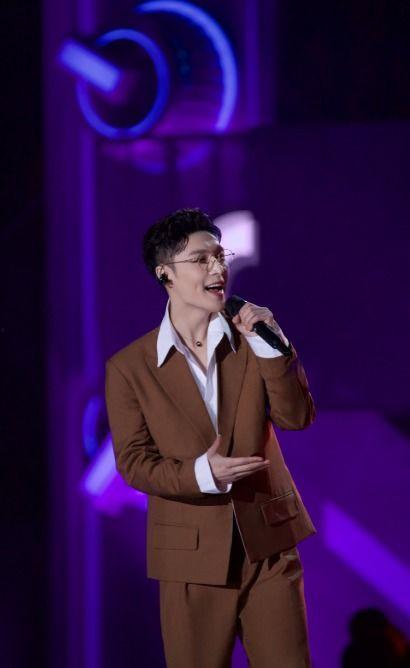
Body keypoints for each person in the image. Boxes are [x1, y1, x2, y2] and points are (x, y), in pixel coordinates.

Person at [105, 207, 316, 668]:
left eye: (221, 256)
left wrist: (272, 343)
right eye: (201, 259)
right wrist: (204, 474)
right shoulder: (129, 367)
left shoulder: (252, 339)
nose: (218, 268)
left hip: (268, 547)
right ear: (165, 272)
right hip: (189, 558)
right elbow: (134, 463)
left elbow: (297, 417)